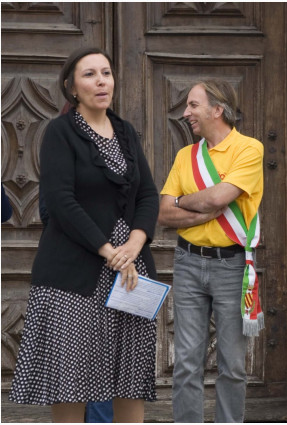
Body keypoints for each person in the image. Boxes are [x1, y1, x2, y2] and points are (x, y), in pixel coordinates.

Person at [8, 47, 159, 422]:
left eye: (106, 73)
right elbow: (61, 200)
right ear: (71, 87)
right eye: (89, 74)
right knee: (71, 382)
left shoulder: (126, 133)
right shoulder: (59, 132)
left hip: (130, 274)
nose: (101, 81)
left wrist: (136, 243)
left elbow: (147, 195)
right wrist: (109, 251)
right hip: (74, 276)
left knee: (130, 380)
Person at [158, 78, 264, 423]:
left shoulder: (249, 149)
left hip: (231, 266)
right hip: (188, 261)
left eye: (193, 105)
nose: (186, 112)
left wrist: (184, 202)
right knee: (187, 361)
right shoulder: (185, 155)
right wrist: (200, 207)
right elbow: (163, 212)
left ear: (217, 110)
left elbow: (219, 199)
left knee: (232, 364)